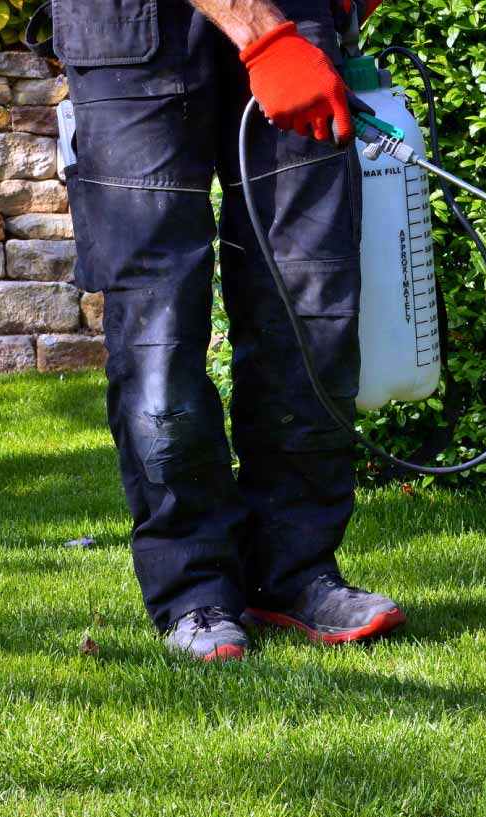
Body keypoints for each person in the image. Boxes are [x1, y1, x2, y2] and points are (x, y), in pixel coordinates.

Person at [54, 0, 404, 660]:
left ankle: (295, 573)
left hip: (296, 21)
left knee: (311, 306)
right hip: (130, 30)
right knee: (158, 330)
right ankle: (193, 590)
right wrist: (262, 37)